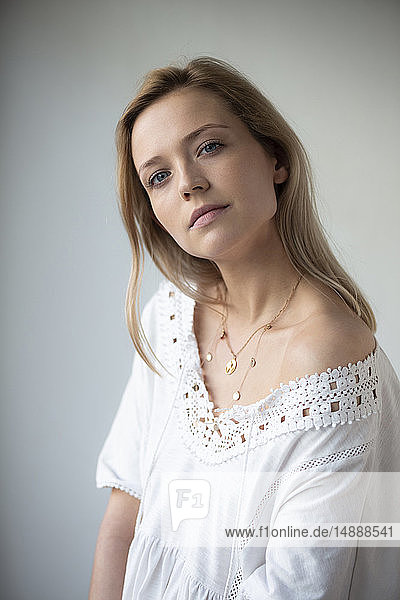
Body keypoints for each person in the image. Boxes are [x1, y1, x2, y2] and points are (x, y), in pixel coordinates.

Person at [88, 56, 400, 600]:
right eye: (158, 177)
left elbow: (298, 588)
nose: (189, 184)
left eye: (208, 146)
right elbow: (123, 518)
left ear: (274, 158)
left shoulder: (329, 357)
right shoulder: (169, 316)